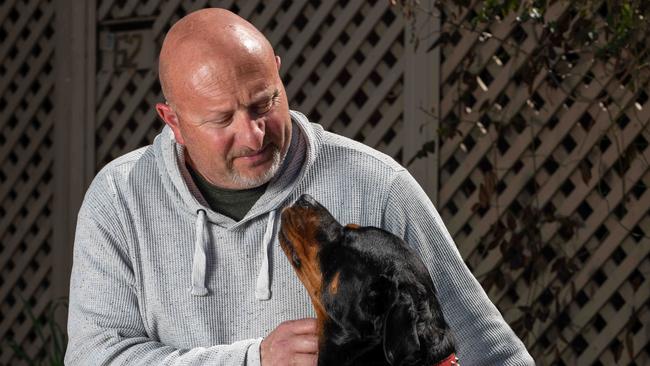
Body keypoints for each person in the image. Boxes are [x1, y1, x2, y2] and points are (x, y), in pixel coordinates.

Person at [65, 8, 534, 366]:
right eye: (222, 119)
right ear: (173, 122)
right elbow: (94, 359)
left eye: (262, 102)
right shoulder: (121, 199)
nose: (253, 135)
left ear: (279, 72)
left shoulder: (377, 187)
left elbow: (494, 356)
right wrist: (254, 360)